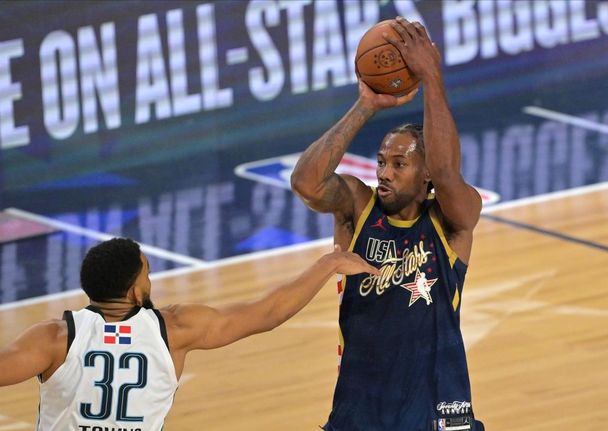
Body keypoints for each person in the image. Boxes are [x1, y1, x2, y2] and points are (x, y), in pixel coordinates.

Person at [290, 17, 484, 431]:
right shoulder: (358, 208)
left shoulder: (452, 221)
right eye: (381, 162)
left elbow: (447, 173)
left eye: (399, 164)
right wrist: (366, 105)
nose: (384, 173)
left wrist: (432, 78)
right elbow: (306, 183)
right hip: (362, 414)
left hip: (437, 412)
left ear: (425, 173)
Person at [0, 237, 378, 430]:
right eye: (147, 275)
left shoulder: (54, 339)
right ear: (134, 292)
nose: (150, 282)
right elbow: (268, 313)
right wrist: (328, 264)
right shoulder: (174, 329)